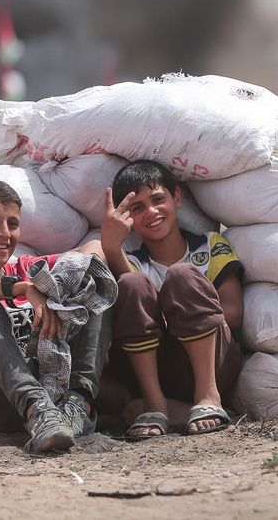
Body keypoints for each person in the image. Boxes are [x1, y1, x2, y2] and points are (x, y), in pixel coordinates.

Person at [0, 179, 115, 453]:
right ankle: (38, 410)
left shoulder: (28, 269)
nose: (4, 233)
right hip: (2, 405)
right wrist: (21, 288)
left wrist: (55, 288)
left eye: (12, 224)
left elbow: (95, 248)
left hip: (57, 387)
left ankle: (77, 406)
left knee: (94, 285)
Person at [103, 160, 244, 440]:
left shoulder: (210, 246)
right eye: (137, 208)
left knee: (182, 276)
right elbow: (133, 309)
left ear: (177, 197)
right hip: (154, 370)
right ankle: (156, 404)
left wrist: (179, 317)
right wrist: (111, 246)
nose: (151, 212)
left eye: (158, 199)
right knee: (130, 284)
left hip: (212, 364)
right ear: (127, 219)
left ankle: (207, 397)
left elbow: (234, 311)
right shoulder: (133, 264)